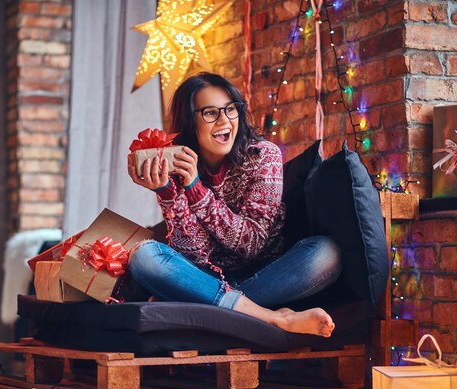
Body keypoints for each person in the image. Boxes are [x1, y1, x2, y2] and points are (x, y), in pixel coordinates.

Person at [126, 72, 340, 338]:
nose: (225, 120)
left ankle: (202, 301)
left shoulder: (264, 156)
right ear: (189, 121)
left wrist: (195, 189)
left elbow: (250, 244)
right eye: (210, 113)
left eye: (231, 109)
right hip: (206, 274)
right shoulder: (178, 163)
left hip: (264, 273)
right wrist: (167, 191)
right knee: (143, 256)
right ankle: (273, 318)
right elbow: (195, 254)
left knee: (326, 253)